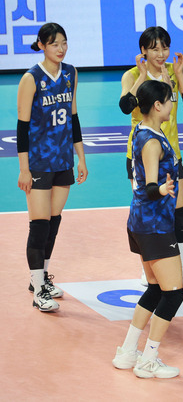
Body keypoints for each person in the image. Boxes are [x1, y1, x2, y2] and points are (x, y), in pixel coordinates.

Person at [119, 26, 183, 283]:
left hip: (172, 152)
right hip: (143, 154)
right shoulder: (131, 75)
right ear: (143, 50)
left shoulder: (171, 71)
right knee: (149, 209)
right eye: (154, 48)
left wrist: (180, 75)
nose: (161, 53)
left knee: (181, 209)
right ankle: (149, 266)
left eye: (164, 47)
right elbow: (125, 107)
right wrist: (142, 77)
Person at [112, 80, 183, 379]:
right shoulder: (152, 142)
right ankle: (148, 359)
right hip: (154, 226)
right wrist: (164, 188)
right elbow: (151, 186)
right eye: (169, 100)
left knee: (155, 290)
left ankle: (128, 351)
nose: (171, 105)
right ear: (158, 105)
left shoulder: (143, 132)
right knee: (174, 294)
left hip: (143, 223)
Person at [17, 23, 87, 312]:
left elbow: (73, 118)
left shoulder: (71, 73)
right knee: (39, 225)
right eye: (55, 44)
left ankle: (41, 279)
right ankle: (36, 291)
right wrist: (24, 169)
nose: (61, 48)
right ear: (42, 45)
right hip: (38, 162)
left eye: (64, 43)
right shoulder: (31, 79)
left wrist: (81, 158)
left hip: (63, 161)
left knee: (53, 222)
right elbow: (22, 128)